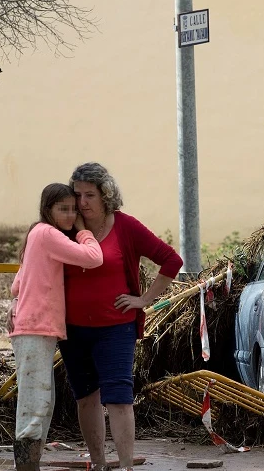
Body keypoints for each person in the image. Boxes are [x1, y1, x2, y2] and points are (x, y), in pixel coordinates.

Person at [58, 162, 183, 471]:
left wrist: (144, 299)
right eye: (77, 195)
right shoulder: (65, 228)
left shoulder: (125, 226)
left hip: (115, 328)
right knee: (86, 397)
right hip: (72, 329)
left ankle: (126, 466)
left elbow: (171, 260)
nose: (82, 203)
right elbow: (37, 266)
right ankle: (99, 464)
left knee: (118, 397)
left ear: (106, 196)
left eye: (90, 195)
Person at [8, 184, 104, 471]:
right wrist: (83, 230)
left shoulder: (36, 234)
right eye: (63, 209)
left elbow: (17, 283)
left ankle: (29, 464)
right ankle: (26, 466)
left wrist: (15, 301)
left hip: (33, 327)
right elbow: (94, 257)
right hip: (36, 327)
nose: (70, 214)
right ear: (47, 209)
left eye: (73, 209)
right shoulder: (48, 234)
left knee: (41, 400)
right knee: (36, 403)